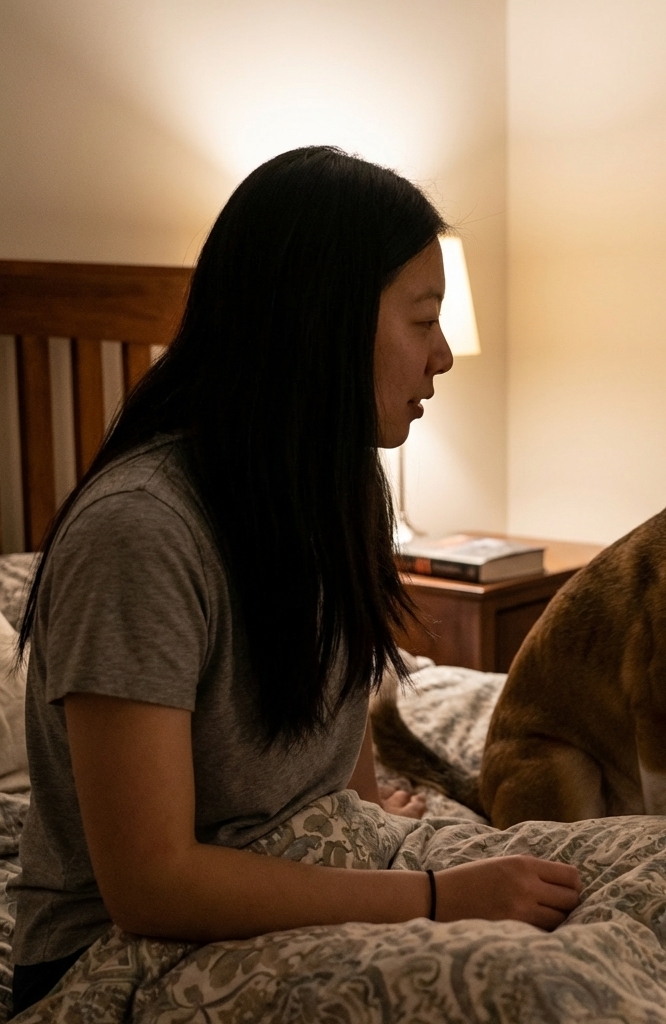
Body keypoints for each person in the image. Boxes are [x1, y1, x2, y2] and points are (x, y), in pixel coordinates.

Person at [10, 146, 581, 1015]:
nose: (443, 358)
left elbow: (333, 721)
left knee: (659, 874)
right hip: (125, 954)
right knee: (523, 987)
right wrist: (431, 901)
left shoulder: (339, 482)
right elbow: (151, 885)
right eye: (423, 321)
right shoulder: (137, 535)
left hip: (310, 867)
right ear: (325, 321)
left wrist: (376, 826)